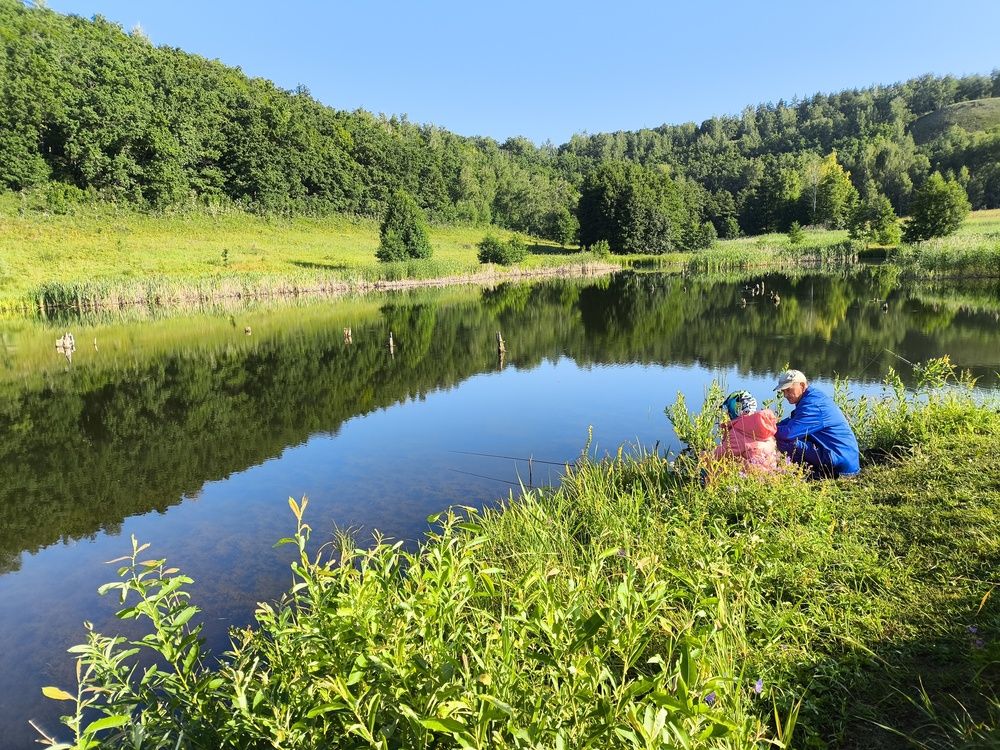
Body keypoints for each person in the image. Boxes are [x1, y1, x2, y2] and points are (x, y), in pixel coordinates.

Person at [774, 369, 860, 478]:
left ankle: (809, 474)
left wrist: (765, 429)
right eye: (783, 391)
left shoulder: (812, 405)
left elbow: (787, 433)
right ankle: (811, 470)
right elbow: (793, 420)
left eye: (788, 390)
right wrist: (771, 424)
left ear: (802, 385)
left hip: (840, 462)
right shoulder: (811, 397)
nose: (785, 395)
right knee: (788, 436)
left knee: (784, 441)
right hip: (841, 456)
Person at [712, 390, 780, 473]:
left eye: (728, 410)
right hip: (771, 474)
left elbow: (719, 454)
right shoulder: (765, 427)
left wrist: (703, 454)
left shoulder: (739, 430)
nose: (727, 413)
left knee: (709, 460)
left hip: (752, 478)